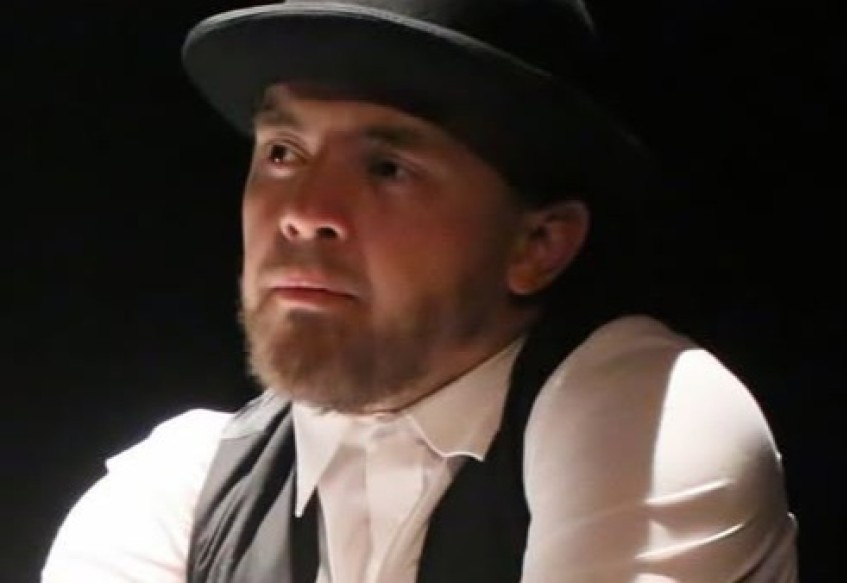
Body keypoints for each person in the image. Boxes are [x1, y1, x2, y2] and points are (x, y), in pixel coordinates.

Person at [42, 0, 798, 581]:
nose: (303, 211)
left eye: (387, 167)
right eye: (283, 152)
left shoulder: (641, 407)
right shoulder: (179, 485)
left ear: (537, 245)